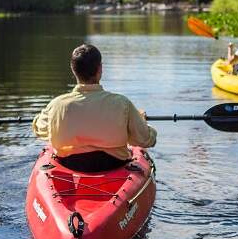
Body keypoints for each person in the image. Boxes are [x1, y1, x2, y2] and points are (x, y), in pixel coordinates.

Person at [32, 43, 157, 173]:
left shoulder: (56, 105)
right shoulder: (122, 103)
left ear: (73, 69)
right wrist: (141, 121)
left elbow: (38, 128)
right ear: (100, 69)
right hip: (113, 166)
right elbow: (146, 140)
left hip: (69, 166)